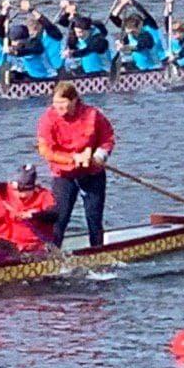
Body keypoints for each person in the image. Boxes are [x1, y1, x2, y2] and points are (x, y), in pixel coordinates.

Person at [36, 81, 115, 247]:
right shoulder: (48, 119)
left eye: (63, 103)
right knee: (59, 218)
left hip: (92, 172)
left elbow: (107, 138)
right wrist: (73, 158)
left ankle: (97, 251)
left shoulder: (93, 114)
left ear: (74, 100)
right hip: (64, 174)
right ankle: (53, 255)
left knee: (94, 217)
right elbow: (46, 151)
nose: (59, 108)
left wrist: (100, 155)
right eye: (56, 104)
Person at [0, 163, 58, 253]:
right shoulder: (6, 190)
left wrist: (33, 215)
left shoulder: (44, 195)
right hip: (7, 245)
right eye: (17, 190)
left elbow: (53, 215)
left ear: (33, 188)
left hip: (34, 247)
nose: (20, 195)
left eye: (25, 191)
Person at [109, 0, 166, 72]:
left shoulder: (147, 33)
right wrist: (123, 3)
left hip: (154, 68)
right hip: (139, 66)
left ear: (140, 25)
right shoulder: (129, 32)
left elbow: (138, 46)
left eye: (133, 32)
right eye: (129, 32)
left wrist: (132, 2)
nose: (131, 34)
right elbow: (113, 17)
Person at [57, 1, 113, 75]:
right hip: (87, 72)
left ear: (89, 30)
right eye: (77, 32)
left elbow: (87, 50)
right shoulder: (79, 29)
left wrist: (72, 53)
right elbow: (62, 22)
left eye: (81, 32)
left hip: (103, 73)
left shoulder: (98, 39)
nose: (78, 35)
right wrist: (67, 11)